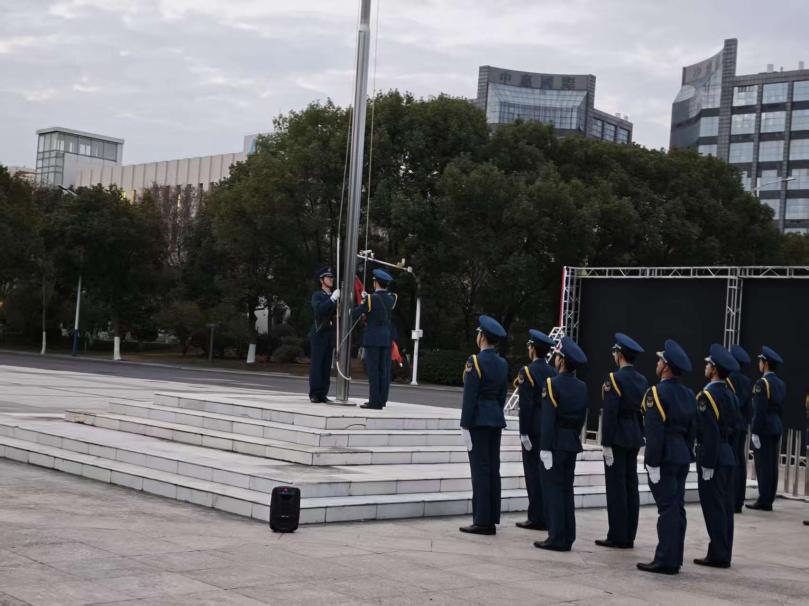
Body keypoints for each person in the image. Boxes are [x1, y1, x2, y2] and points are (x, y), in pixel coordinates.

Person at [637, 339, 696, 576]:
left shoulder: (656, 393)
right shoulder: (689, 394)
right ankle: (675, 556)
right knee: (677, 507)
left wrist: (652, 462)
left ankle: (665, 559)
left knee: (668, 510)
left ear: (667, 367)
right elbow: (692, 430)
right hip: (682, 454)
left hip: (665, 456)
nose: (657, 364)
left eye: (660, 361)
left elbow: (654, 431)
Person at [534, 336, 588, 552]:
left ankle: (556, 536)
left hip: (555, 443)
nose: (555, 359)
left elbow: (548, 419)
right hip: (571, 442)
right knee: (567, 490)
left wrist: (545, 448)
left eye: (557, 356)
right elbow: (581, 419)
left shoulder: (552, 384)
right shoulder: (582, 386)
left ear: (562, 360)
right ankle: (568, 535)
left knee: (554, 491)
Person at [595, 333, 648, 550]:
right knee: (630, 486)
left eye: (615, 352)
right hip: (634, 435)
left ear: (620, 355)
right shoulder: (642, 380)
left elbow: (610, 413)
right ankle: (629, 534)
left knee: (616, 488)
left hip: (617, 437)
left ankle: (617, 535)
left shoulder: (614, 378)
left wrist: (606, 442)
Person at [459, 315, 509, 535]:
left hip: (478, 420)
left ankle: (482, 521)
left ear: (482, 337)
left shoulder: (475, 361)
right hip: (495, 419)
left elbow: (470, 396)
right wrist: (495, 412)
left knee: (480, 471)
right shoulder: (502, 363)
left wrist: (465, 424)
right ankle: (491, 517)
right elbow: (501, 395)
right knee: (492, 470)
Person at [694, 344, 739, 569]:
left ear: (714, 369)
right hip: (727, 453)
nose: (705, 367)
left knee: (714, 507)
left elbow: (710, 431)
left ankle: (719, 554)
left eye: (708, 364)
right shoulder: (730, 394)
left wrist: (708, 463)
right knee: (725, 507)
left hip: (714, 455)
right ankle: (722, 550)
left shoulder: (707, 395)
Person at [514, 329, 557, 531]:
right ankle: (545, 515)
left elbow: (526, 405)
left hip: (532, 428)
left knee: (532, 474)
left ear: (532, 348)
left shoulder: (527, 371)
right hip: (548, 426)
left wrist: (523, 432)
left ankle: (536, 516)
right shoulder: (553, 372)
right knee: (544, 474)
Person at [746, 346, 786, 511]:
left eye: (761, 361)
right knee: (772, 464)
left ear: (766, 364)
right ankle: (769, 497)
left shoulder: (762, 383)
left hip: (764, 428)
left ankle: (763, 500)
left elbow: (760, 410)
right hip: (776, 425)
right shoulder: (781, 383)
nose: (759, 364)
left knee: (763, 465)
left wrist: (755, 431)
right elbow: (781, 408)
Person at [352, 269, 397, 410]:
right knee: (383, 370)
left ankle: (374, 401)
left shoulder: (371, 299)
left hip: (373, 337)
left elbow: (355, 313)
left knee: (373, 371)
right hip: (386, 337)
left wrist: (364, 301)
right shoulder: (392, 298)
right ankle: (382, 400)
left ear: (376, 283)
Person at [727, 344, 753, 513]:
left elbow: (729, 403)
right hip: (742, 425)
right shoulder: (747, 380)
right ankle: (738, 499)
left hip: (732, 425)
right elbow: (749, 407)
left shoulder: (730, 378)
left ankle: (731, 499)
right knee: (740, 461)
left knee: (731, 462)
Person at [308, 267, 340, 403]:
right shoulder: (317, 295)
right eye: (328, 277)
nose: (331, 279)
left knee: (327, 366)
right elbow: (319, 310)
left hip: (330, 334)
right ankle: (314, 393)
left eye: (332, 277)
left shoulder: (335, 296)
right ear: (321, 280)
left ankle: (323, 393)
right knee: (317, 364)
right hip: (319, 333)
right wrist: (332, 299)